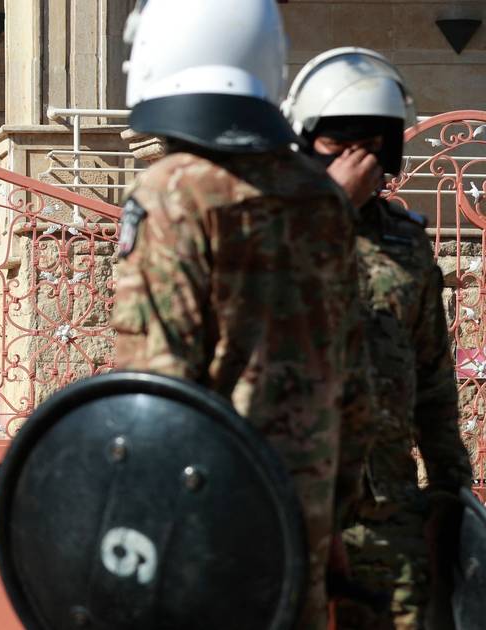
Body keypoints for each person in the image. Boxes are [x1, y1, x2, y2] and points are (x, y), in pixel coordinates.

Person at [109, 1, 375, 628]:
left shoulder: (171, 192)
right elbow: (354, 384)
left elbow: (158, 388)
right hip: (302, 524)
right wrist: (337, 519)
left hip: (204, 523)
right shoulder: (321, 197)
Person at [283, 47, 473, 630]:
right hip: (288, 511)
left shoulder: (405, 245)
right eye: (338, 143)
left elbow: (433, 380)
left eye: (370, 145)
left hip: (389, 517)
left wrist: (450, 491)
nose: (356, 161)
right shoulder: (270, 234)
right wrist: (331, 207)